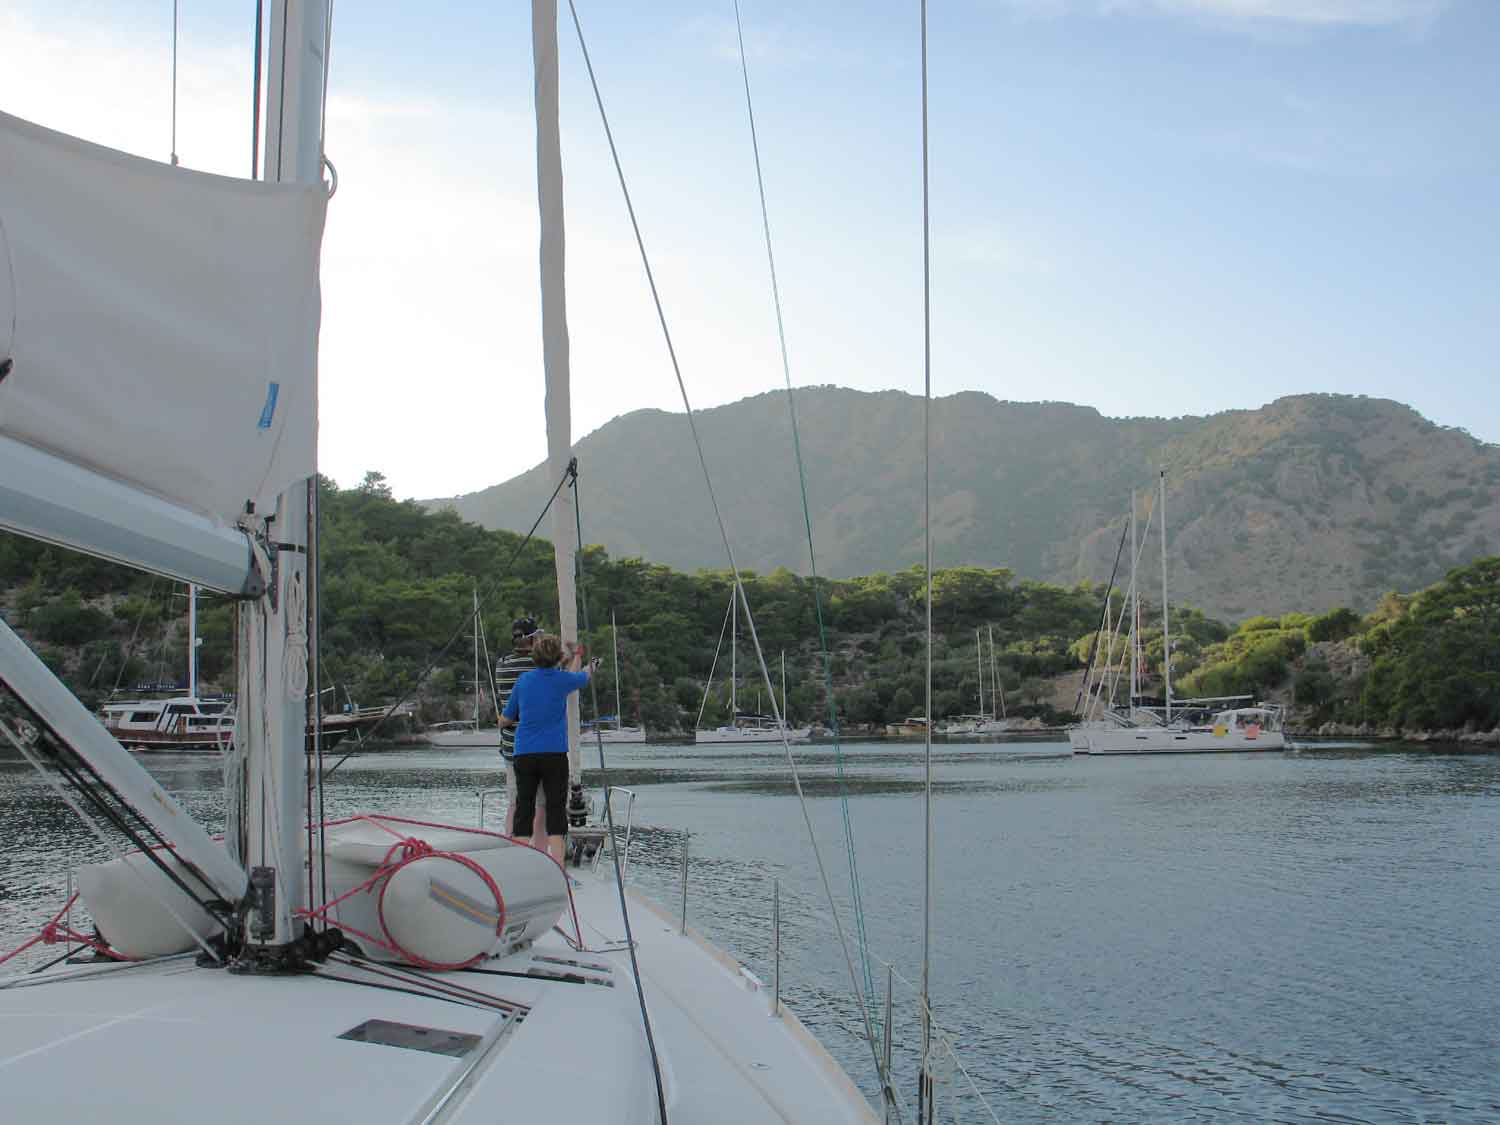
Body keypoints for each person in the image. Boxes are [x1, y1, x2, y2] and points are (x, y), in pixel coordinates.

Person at [498, 633, 596, 864]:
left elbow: (507, 717)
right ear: (559, 657)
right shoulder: (561, 680)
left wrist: (500, 721)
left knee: (524, 806)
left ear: (535, 656)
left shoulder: (524, 681)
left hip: (525, 753)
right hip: (553, 753)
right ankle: (558, 865)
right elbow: (582, 676)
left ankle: (521, 862)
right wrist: (581, 657)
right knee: (555, 808)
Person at [495, 617, 545, 848]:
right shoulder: (539, 667)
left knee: (515, 803)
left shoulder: (501, 664)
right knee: (540, 804)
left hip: (510, 746)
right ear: (532, 638)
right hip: (536, 745)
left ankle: (511, 847)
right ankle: (538, 851)